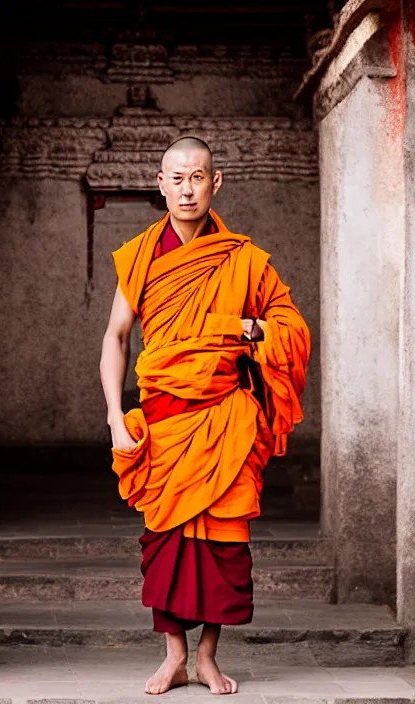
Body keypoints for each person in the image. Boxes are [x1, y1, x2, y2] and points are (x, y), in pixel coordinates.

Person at [99, 137, 309, 696]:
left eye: (198, 177)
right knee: (165, 538)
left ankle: (209, 657)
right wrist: (116, 415)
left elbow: (292, 326)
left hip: (226, 418)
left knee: (223, 542)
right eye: (177, 177)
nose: (187, 187)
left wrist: (253, 328)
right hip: (165, 419)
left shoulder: (244, 258)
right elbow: (116, 337)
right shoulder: (139, 255)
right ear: (160, 184)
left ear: (216, 182)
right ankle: (173, 656)